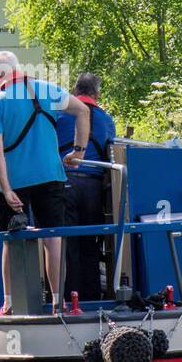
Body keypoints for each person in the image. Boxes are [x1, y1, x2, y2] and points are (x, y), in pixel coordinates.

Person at [0, 51, 90, 314]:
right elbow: (83, 110)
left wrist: (6, 189)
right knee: (53, 239)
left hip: (15, 182)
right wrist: (79, 152)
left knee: (11, 240)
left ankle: (9, 303)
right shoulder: (47, 89)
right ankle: (58, 302)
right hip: (51, 176)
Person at [56, 72, 117, 301]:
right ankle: (91, 295)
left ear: (74, 92)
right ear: (97, 94)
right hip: (92, 185)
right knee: (91, 240)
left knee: (67, 241)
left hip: (64, 183)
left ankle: (70, 297)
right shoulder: (105, 120)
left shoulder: (59, 117)